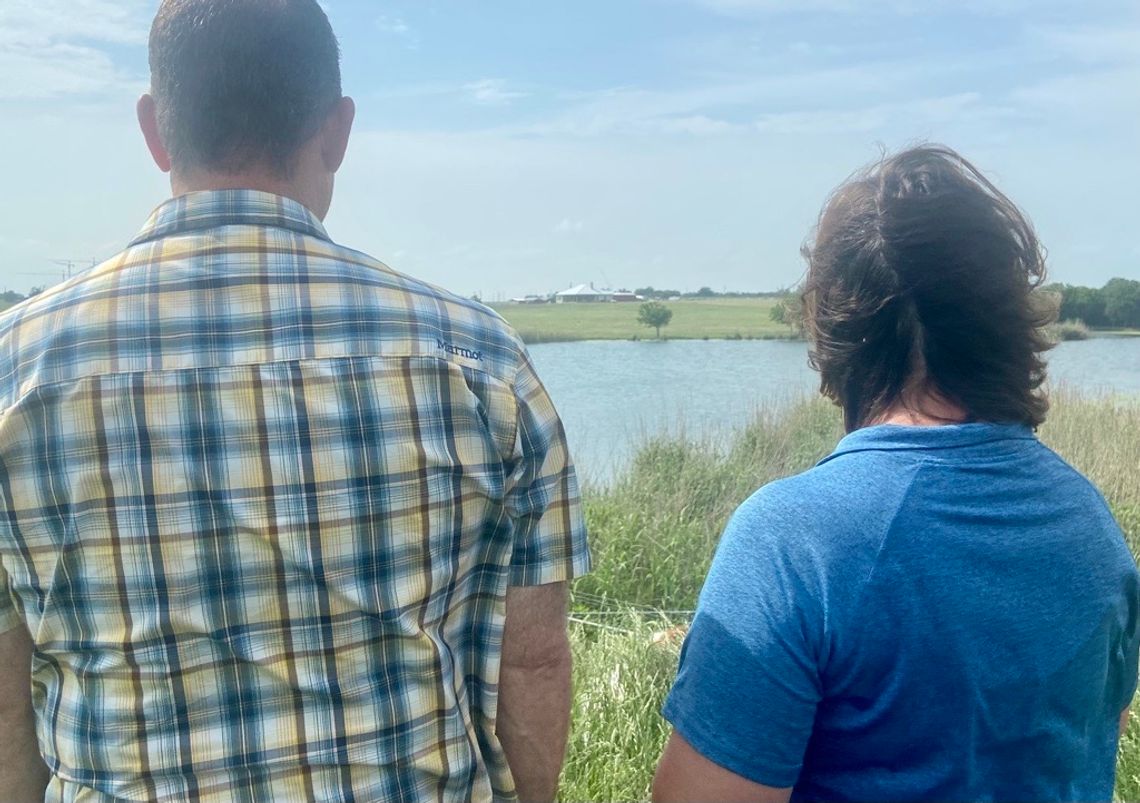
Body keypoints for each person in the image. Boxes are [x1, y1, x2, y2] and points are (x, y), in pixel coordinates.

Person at [0, 1, 589, 800]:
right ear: (337, 131)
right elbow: (533, 659)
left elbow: (6, 695)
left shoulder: (17, 371)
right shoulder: (483, 362)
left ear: (155, 130)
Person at [653, 145, 1140, 802]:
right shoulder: (1092, 526)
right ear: (1006, 328)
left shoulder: (791, 542)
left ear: (835, 336)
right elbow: (1102, 731)